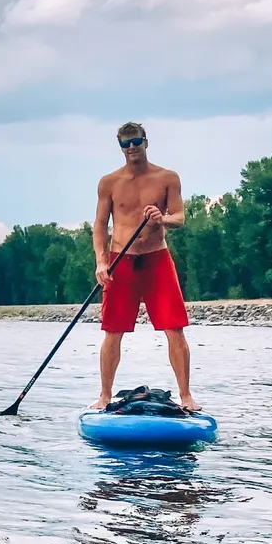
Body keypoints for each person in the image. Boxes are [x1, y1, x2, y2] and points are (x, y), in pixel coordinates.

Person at [92, 122, 199, 412]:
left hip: (156, 259)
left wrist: (162, 218)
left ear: (145, 142)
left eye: (136, 141)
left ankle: (186, 396)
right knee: (112, 330)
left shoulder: (167, 177)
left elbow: (179, 218)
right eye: (125, 144)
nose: (131, 148)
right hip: (120, 261)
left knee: (174, 328)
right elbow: (100, 225)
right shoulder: (109, 182)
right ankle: (104, 396)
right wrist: (101, 262)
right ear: (120, 147)